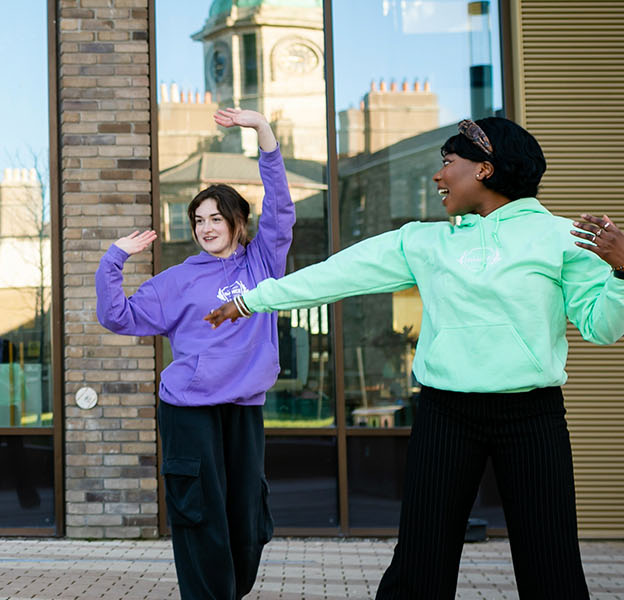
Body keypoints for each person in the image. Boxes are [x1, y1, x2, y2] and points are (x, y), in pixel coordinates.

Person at [205, 116, 624, 599]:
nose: (437, 176)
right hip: (447, 415)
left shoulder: (563, 237)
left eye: (447, 164)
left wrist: (619, 271)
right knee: (420, 563)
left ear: (484, 169)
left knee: (551, 564)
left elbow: (603, 326)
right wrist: (252, 299)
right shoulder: (424, 242)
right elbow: (336, 274)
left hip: (532, 417)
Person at [95, 108, 289, 599]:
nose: (206, 227)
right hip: (189, 411)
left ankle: (230, 591)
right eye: (198, 220)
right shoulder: (178, 280)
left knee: (246, 519)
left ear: (237, 221)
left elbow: (282, 209)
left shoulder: (262, 261)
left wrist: (263, 132)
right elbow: (118, 317)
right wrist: (114, 258)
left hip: (243, 407)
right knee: (200, 513)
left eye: (216, 218)